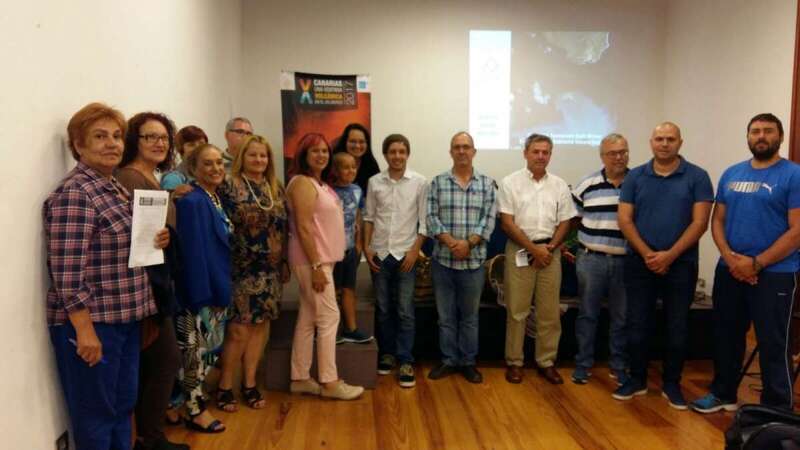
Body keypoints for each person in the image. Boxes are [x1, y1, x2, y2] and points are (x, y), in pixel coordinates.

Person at [44, 102, 169, 450]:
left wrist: (156, 239)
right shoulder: (76, 193)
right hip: (93, 325)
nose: (112, 143)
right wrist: (84, 331)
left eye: (116, 136)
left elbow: (120, 247)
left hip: (124, 319)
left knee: (121, 407)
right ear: (78, 145)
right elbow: (67, 273)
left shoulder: (112, 186)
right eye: (100, 136)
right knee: (96, 417)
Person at [692, 114, 800, 413]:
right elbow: (718, 221)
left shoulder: (793, 175)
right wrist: (730, 258)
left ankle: (777, 409)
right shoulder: (732, 173)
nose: (761, 136)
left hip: (776, 273)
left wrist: (757, 264)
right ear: (748, 136)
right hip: (730, 270)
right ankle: (722, 394)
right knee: (725, 336)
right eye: (755, 131)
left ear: (780, 136)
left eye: (768, 131)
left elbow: (797, 231)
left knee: (773, 342)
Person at [615, 122, 713, 410]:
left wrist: (669, 256)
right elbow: (625, 220)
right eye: (659, 138)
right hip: (639, 262)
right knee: (637, 324)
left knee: (677, 326)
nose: (665, 144)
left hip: (681, 264)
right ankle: (637, 379)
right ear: (651, 142)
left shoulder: (697, 176)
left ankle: (672, 383)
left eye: (670, 139)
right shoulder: (635, 176)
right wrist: (648, 254)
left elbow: (700, 223)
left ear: (680, 142)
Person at [117, 112, 187, 450]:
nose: (159, 143)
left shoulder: (151, 177)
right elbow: (130, 238)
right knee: (165, 359)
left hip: (157, 281)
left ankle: (149, 436)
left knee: (159, 361)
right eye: (150, 137)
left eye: (164, 137)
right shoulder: (130, 178)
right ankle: (150, 438)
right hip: (144, 285)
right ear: (135, 140)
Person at [286, 133, 364, 400]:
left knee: (308, 318)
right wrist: (317, 266)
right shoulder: (302, 183)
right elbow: (304, 227)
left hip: (322, 260)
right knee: (330, 317)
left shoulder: (320, 183)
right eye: (314, 151)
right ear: (303, 154)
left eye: (324, 151)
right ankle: (330, 382)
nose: (321, 155)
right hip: (313, 262)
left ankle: (300, 378)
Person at [216, 135, 289, 411]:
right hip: (240, 269)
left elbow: (283, 228)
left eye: (263, 155)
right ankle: (225, 386)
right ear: (242, 158)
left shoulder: (275, 187)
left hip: (270, 271)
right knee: (238, 331)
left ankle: (249, 384)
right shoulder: (228, 185)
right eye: (253, 155)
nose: (259, 160)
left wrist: (284, 261)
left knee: (260, 328)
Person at [498, 133, 577, 385]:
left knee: (549, 312)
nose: (540, 156)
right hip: (520, 251)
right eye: (536, 151)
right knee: (517, 311)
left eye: (545, 152)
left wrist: (549, 248)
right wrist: (534, 249)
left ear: (550, 155)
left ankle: (546, 361)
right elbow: (507, 223)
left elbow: (566, 221)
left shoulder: (560, 185)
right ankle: (515, 362)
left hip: (551, 252)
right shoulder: (510, 182)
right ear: (525, 153)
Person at [426, 131, 497, 384]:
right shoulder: (437, 182)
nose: (462, 151)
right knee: (445, 318)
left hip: (473, 263)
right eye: (457, 147)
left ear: (474, 151)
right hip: (443, 262)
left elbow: (488, 220)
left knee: (469, 318)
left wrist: (468, 244)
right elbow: (431, 217)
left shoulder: (487, 184)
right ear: (451, 152)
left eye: (466, 146)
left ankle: (467, 362)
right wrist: (451, 243)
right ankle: (448, 360)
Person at [174, 144, 232, 432]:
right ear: (193, 168)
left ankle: (183, 404)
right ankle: (194, 410)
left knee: (203, 354)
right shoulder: (192, 202)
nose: (216, 168)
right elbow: (193, 254)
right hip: (200, 293)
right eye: (207, 163)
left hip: (216, 283)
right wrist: (202, 296)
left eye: (219, 162)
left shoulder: (213, 197)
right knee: (194, 355)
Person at [363, 134, 427, 387]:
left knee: (405, 310)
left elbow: (424, 222)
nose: (397, 156)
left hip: (405, 256)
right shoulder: (374, 182)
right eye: (392, 152)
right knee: (384, 308)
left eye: (402, 152)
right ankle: (387, 354)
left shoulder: (420, 182)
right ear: (385, 155)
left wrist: (414, 251)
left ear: (407, 154)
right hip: (379, 254)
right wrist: (367, 248)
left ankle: (405, 359)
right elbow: (369, 217)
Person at [570, 134, 631, 386]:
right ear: (602, 156)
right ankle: (583, 364)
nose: (618, 157)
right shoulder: (587, 184)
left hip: (626, 262)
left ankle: (618, 365)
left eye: (623, 152)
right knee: (587, 314)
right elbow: (573, 220)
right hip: (591, 260)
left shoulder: (638, 182)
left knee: (622, 317)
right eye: (612, 153)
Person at [330, 152, 374, 345]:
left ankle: (351, 329)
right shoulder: (328, 191)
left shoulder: (357, 190)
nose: (351, 171)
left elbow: (358, 216)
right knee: (332, 291)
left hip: (350, 250)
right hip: (332, 251)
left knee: (349, 289)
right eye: (345, 167)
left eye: (353, 167)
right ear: (335, 170)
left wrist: (358, 245)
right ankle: (330, 330)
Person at [330, 123, 380, 194]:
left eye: (361, 142)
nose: (357, 146)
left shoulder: (371, 165)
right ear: (345, 142)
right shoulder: (333, 163)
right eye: (353, 141)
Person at [161, 125, 208, 191]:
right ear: (181, 149)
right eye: (191, 145)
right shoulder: (173, 179)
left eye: (201, 143)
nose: (198, 148)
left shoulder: (209, 175)